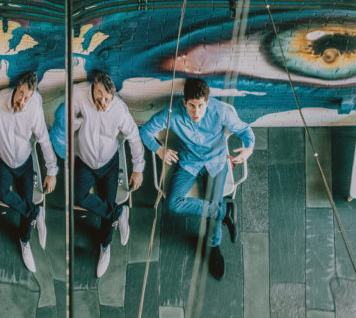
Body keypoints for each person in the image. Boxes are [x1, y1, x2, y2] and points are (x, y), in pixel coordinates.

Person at [140, 78, 254, 279]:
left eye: (201, 105)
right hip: (189, 162)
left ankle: (214, 246)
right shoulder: (173, 113)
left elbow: (245, 129)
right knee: (173, 203)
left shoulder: (220, 111)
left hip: (216, 162)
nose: (197, 112)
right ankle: (224, 211)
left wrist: (249, 148)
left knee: (213, 204)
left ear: (207, 102)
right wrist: (159, 149)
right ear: (184, 102)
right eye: (191, 106)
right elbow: (145, 131)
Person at [50, 71, 144, 278]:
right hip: (84, 162)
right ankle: (119, 213)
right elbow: (61, 121)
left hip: (109, 163)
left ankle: (105, 246)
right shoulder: (78, 95)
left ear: (113, 96)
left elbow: (134, 137)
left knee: (106, 202)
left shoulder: (119, 111)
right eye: (99, 94)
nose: (103, 100)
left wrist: (138, 168)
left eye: (108, 97)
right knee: (78, 196)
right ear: (93, 87)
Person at [0, 71, 58, 272]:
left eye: (28, 96)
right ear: (17, 87)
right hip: (3, 161)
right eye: (21, 94)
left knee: (26, 200)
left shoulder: (35, 106)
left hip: (25, 162)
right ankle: (36, 212)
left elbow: (44, 141)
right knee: (2, 192)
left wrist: (52, 171)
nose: (23, 100)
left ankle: (25, 241)